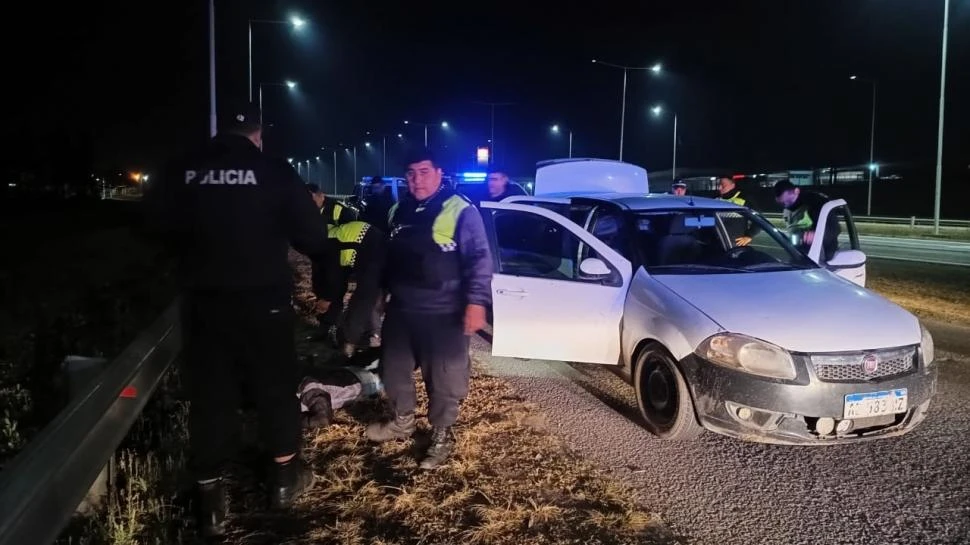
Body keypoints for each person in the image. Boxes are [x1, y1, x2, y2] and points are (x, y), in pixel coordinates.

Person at [143, 102, 326, 537]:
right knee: (275, 385)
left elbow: (152, 229)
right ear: (258, 136)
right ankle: (284, 481)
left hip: (204, 302)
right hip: (265, 302)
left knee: (210, 394)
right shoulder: (275, 170)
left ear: (217, 132)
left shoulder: (181, 170)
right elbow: (313, 237)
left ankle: (209, 498)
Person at [365, 149, 493, 470]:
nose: (417, 179)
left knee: (444, 379)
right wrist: (379, 298)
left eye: (424, 171)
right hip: (402, 310)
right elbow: (388, 260)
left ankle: (442, 435)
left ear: (439, 173)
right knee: (393, 372)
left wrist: (477, 302)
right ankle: (403, 421)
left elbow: (479, 259)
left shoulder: (460, 209)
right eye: (411, 173)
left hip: (444, 313)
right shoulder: (398, 210)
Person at [318, 218, 387, 359]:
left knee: (361, 302)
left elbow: (335, 279)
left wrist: (327, 299)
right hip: (380, 251)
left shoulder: (329, 245)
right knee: (372, 301)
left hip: (375, 258)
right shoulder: (332, 234)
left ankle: (351, 344)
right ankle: (372, 336)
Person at [773, 179, 840, 260]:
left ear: (796, 191)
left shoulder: (816, 203)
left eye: (788, 201)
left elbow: (835, 228)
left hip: (820, 257)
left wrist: (816, 236)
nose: (786, 206)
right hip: (798, 254)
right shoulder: (787, 208)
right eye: (782, 203)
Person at [715, 175, 761, 246]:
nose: (719, 188)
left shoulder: (744, 199)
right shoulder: (715, 199)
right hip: (716, 243)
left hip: (736, 245)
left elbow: (759, 219)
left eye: (723, 185)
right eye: (719, 185)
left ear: (732, 185)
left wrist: (749, 235)